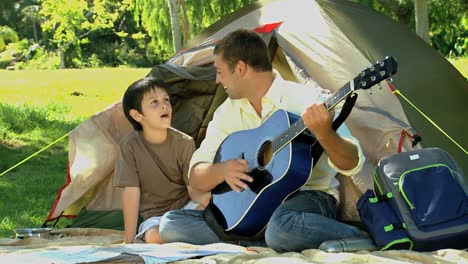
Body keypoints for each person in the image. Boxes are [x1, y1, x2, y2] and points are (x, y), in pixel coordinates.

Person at [159, 29, 367, 252]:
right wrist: (220, 171)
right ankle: (261, 239)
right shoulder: (226, 113)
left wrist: (326, 134)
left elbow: (353, 163)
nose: (217, 80)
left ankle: (361, 237)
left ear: (240, 68)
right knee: (171, 224)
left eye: (219, 72)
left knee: (282, 229)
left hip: (306, 199)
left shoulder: (306, 100)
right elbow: (196, 176)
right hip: (251, 205)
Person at [114, 77, 210, 244]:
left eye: (166, 99)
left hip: (186, 211)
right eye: (154, 102)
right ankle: (192, 237)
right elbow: (131, 192)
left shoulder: (185, 142)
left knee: (209, 214)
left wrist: (209, 205)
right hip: (155, 217)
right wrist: (129, 241)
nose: (164, 105)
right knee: (153, 236)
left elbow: (193, 188)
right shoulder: (129, 146)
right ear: (137, 115)